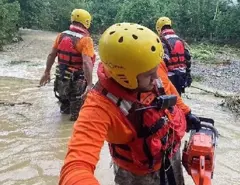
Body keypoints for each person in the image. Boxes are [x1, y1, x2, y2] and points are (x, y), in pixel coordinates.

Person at [58, 23, 201, 185]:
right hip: (136, 174)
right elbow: (76, 165)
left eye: (156, 69)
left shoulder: (150, 65)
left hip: (169, 154)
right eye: (149, 75)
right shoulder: (99, 106)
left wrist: (186, 112)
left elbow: (168, 88)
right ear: (125, 76)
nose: (156, 77)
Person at [39, 9, 95, 121]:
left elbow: (51, 55)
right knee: (77, 116)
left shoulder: (61, 35)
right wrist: (89, 84)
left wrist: (46, 72)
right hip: (77, 79)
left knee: (64, 109)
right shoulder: (86, 40)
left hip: (61, 76)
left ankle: (60, 130)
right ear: (86, 22)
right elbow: (87, 62)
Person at [155, 17, 192, 95]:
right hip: (182, 75)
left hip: (170, 76)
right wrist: (188, 75)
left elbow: (164, 59)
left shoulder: (163, 40)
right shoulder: (180, 40)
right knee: (177, 98)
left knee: (168, 100)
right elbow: (187, 57)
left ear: (159, 27)